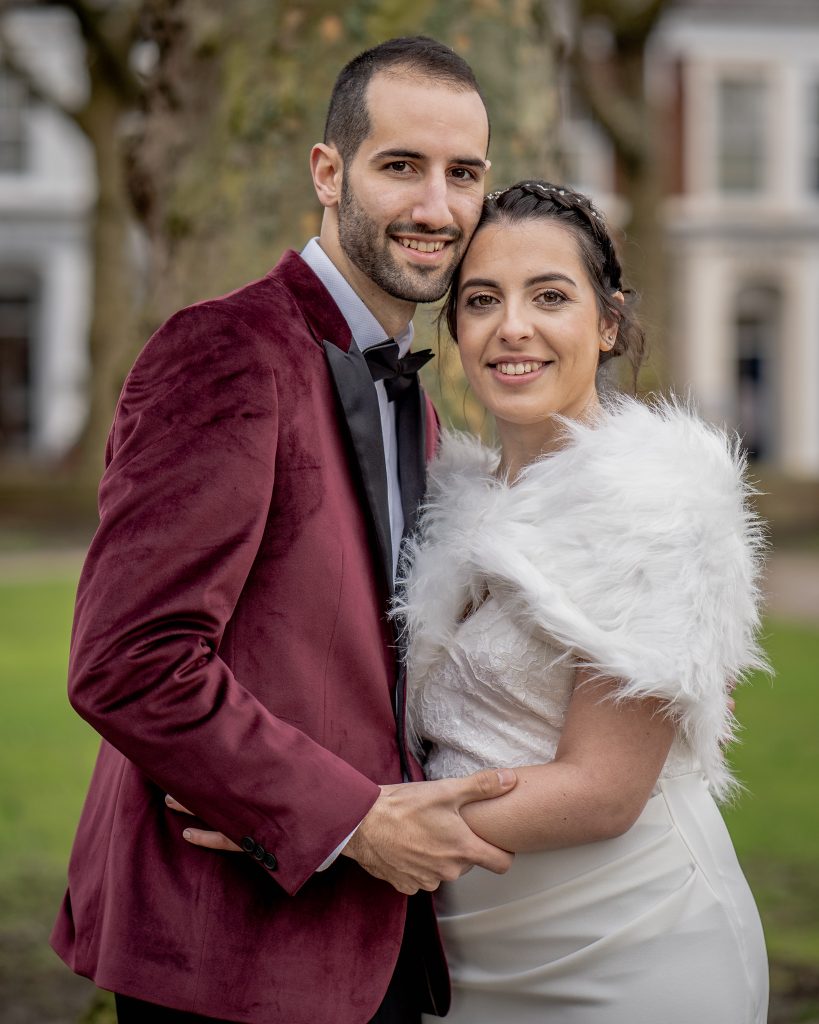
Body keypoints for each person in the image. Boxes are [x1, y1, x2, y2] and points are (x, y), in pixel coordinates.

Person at [51, 37, 519, 1024]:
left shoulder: (418, 400)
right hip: (228, 952)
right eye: (402, 166)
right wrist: (345, 819)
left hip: (375, 943)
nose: (437, 208)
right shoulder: (221, 350)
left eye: (463, 174)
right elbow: (130, 661)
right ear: (327, 170)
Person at [398, 180, 770, 1023]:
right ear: (454, 328)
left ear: (606, 324)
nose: (512, 327)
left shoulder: (652, 503)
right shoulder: (450, 505)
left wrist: (348, 830)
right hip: (471, 961)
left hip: (630, 954)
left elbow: (600, 791)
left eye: (549, 297)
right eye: (481, 299)